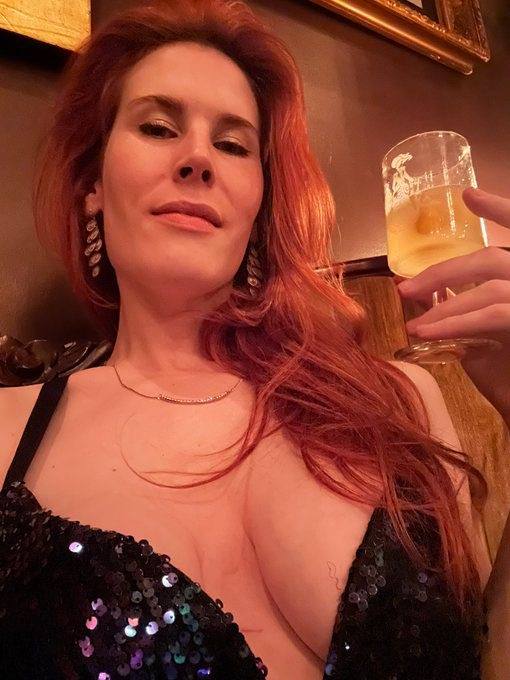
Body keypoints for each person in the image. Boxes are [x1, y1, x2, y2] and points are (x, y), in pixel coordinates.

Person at [0, 0, 508, 678]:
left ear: (258, 200)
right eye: (158, 127)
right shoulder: (7, 434)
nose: (197, 159)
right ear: (92, 184)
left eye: (234, 145)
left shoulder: (400, 399)